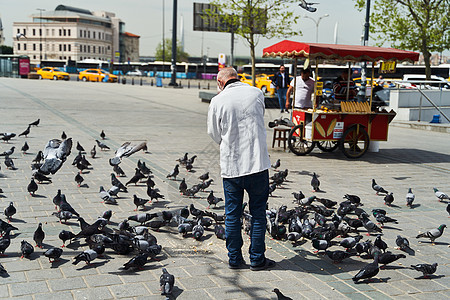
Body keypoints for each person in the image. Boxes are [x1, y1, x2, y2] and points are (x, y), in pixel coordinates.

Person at [207, 67, 275, 271]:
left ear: (220, 83)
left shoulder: (218, 100)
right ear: (236, 77)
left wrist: (227, 140)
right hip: (257, 165)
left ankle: (235, 259)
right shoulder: (256, 92)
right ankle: (257, 259)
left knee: (232, 214)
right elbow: (258, 118)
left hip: (232, 166)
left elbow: (214, 133)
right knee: (258, 213)